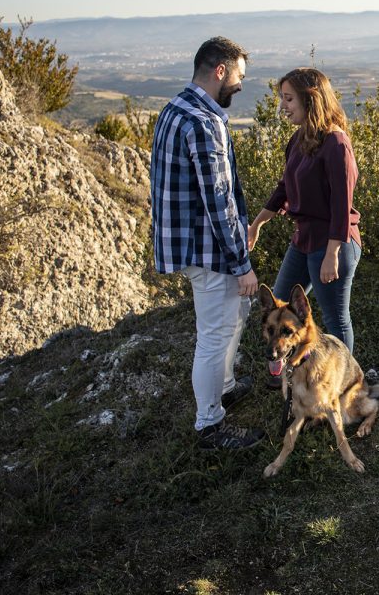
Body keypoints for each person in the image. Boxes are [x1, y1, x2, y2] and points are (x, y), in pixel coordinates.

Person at [150, 36, 266, 450]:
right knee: (214, 335)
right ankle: (210, 424)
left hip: (189, 244)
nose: (239, 85)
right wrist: (242, 264)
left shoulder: (174, 109)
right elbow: (219, 201)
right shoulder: (204, 121)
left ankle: (227, 387)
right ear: (220, 70)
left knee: (233, 317)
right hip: (210, 249)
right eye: (238, 77)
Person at [250, 67, 361, 384]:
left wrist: (332, 254)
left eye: (288, 99)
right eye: (282, 98)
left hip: (332, 244)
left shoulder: (336, 144)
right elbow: (284, 188)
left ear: (310, 101)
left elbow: (342, 204)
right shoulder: (298, 140)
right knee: (279, 305)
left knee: (335, 320)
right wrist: (257, 223)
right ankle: (282, 368)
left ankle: (342, 384)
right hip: (303, 240)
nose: (283, 106)